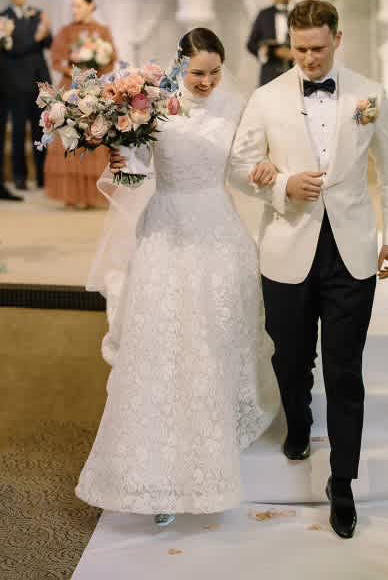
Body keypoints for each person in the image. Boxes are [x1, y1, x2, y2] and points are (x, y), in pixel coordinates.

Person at [76, 28, 278, 525]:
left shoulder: (236, 107)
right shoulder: (151, 107)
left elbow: (238, 169)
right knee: (163, 349)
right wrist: (122, 163)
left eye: (214, 72)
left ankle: (213, 452)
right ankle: (156, 480)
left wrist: (260, 172)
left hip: (219, 232)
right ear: (180, 68)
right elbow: (136, 173)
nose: (206, 82)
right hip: (166, 232)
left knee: (213, 344)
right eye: (197, 73)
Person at [230, 0, 388, 539]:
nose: (309, 59)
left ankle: (343, 483)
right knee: (289, 358)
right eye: (300, 49)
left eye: (318, 48)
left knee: (345, 369)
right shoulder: (265, 98)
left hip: (352, 250)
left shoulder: (369, 94)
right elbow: (238, 167)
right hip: (287, 247)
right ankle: (299, 422)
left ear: (338, 39)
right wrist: (283, 184)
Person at [44, 0, 117, 209]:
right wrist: (74, 68)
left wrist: (94, 71)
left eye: (78, 5)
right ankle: (73, 194)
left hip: (94, 88)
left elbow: (111, 60)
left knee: (93, 135)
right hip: (70, 88)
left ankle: (91, 194)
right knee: (69, 137)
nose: (74, 9)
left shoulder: (102, 31)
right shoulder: (66, 31)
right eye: (72, 6)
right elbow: (57, 60)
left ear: (91, 6)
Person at [0, 0, 52, 196]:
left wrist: (46, 33)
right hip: (15, 83)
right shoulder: (3, 19)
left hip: (39, 82)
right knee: (19, 131)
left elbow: (48, 43)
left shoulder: (37, 13)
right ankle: (19, 177)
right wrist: (37, 38)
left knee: (42, 130)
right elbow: (13, 49)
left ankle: (42, 176)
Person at [247, 0, 295, 86]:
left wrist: (295, 54)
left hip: (294, 72)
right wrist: (263, 52)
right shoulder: (263, 14)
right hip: (269, 75)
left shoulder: (300, 12)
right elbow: (251, 44)